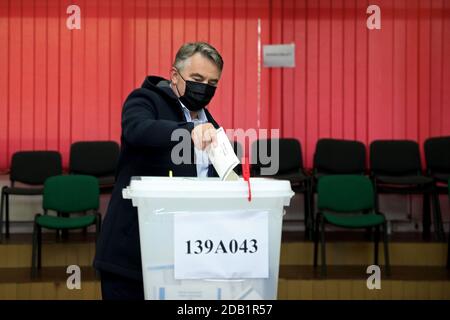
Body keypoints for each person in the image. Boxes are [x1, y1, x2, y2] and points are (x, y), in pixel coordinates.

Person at [94, 42, 223, 299]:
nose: (204, 88)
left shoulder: (211, 125)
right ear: (174, 75)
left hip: (183, 260)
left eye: (212, 83)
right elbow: (138, 130)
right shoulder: (145, 100)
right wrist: (187, 132)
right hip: (131, 257)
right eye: (197, 79)